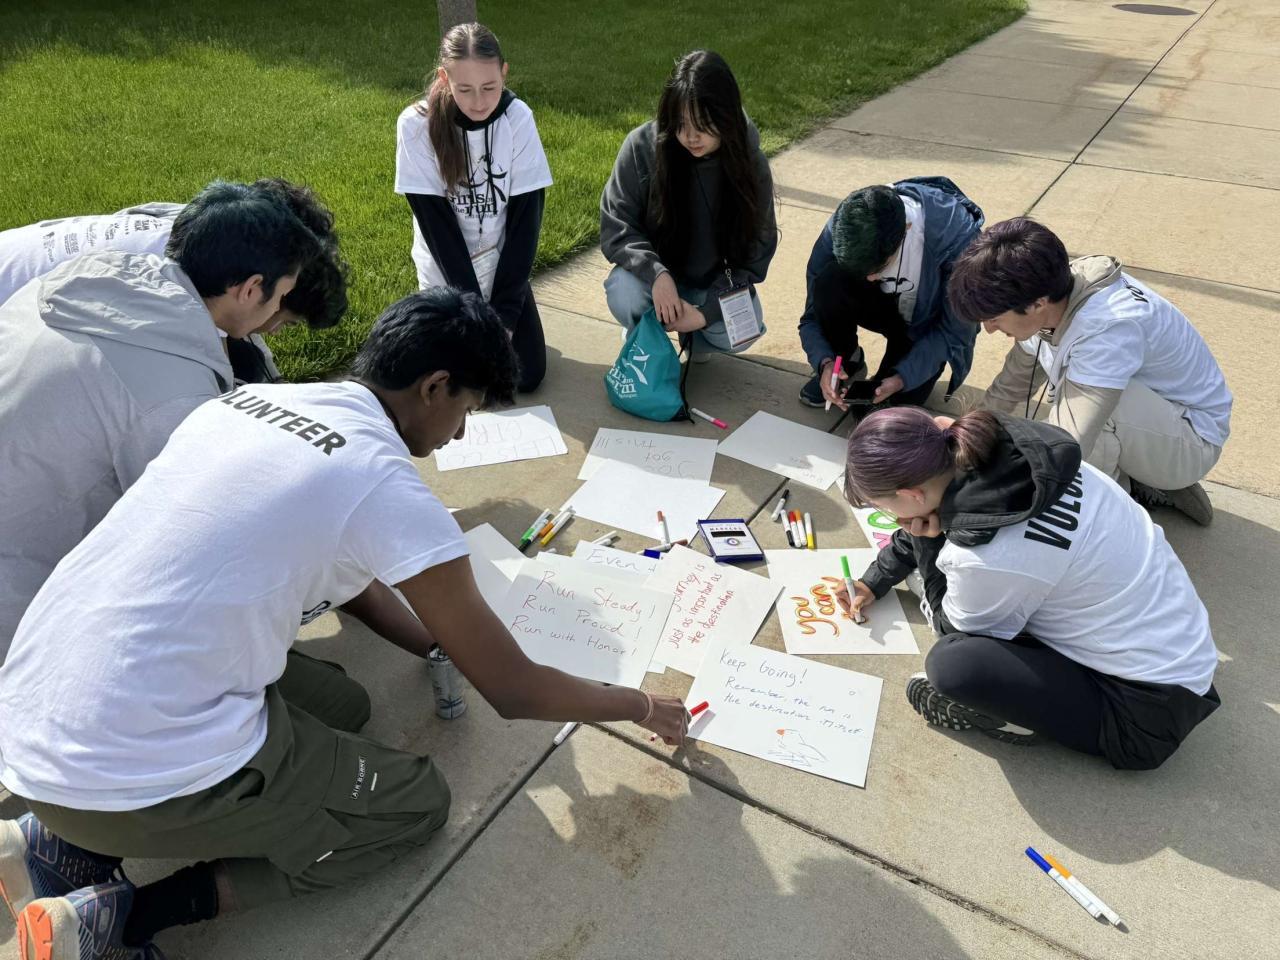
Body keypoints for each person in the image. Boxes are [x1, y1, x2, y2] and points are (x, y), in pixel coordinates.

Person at [0, 289, 689, 958]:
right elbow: (514, 690)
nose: (459, 433)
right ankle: (117, 919)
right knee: (415, 805)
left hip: (32, 709)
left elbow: (344, 571)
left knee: (346, 706)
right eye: (466, 411)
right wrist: (638, 704)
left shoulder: (252, 402)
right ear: (435, 387)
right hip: (110, 765)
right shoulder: (383, 481)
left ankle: (47, 840)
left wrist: (437, 640)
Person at [0, 180, 324, 661]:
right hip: (25, 619)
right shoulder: (175, 399)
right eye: (282, 297)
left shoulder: (91, 282)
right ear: (251, 289)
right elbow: (195, 547)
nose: (278, 313)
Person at [838, 407, 1221, 771]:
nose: (896, 519)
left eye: (886, 508)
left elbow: (951, 627)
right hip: (1182, 652)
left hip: (1139, 720)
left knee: (953, 665)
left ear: (912, 495)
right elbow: (942, 515)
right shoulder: (1024, 462)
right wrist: (875, 579)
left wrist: (926, 543)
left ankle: (1021, 719)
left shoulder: (984, 557)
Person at [947, 217, 1231, 526]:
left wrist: (977, 498)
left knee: (1080, 412)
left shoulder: (1107, 329)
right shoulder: (1048, 290)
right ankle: (1141, 474)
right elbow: (1009, 388)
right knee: (1065, 406)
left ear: (1037, 304)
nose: (988, 329)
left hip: (1193, 442)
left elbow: (1068, 443)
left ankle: (1115, 516)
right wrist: (966, 445)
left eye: (993, 318)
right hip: (1159, 422)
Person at [0, 178, 351, 384]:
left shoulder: (205, 230)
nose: (273, 332)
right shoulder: (169, 286)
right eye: (283, 320)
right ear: (255, 286)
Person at [395, 22, 552, 392]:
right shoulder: (415, 125)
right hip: (447, 271)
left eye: (489, 87)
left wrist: (505, 315)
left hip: (499, 266)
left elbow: (525, 224)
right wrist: (476, 317)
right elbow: (438, 231)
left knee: (526, 376)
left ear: (504, 73)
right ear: (444, 78)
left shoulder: (518, 118)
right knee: (457, 376)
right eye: (464, 89)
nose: (479, 102)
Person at [600, 49, 777, 357]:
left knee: (743, 331)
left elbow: (755, 253)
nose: (691, 136)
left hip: (712, 287)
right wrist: (657, 273)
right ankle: (646, 335)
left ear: (726, 116)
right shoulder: (641, 147)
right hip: (654, 282)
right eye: (680, 123)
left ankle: (695, 339)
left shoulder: (750, 162)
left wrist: (706, 314)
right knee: (622, 291)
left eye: (703, 124)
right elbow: (617, 225)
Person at [797, 178, 983, 410]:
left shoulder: (960, 245)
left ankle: (902, 366)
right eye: (863, 272)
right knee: (830, 280)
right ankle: (845, 361)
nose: (870, 279)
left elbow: (955, 332)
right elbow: (812, 315)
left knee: (883, 413)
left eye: (880, 268)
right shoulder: (845, 225)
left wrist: (901, 379)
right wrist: (825, 361)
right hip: (884, 308)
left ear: (906, 229)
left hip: (925, 329)